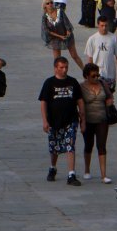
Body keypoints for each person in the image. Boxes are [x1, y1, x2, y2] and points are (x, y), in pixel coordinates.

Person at [39, 57, 85, 186]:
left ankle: (71, 174)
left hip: (71, 120)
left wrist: (83, 120)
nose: (64, 70)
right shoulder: (49, 83)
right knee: (55, 147)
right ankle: (53, 167)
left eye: (66, 67)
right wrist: (44, 121)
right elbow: (43, 102)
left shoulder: (73, 82)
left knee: (70, 145)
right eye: (61, 67)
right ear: (55, 68)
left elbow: (80, 101)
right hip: (54, 121)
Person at [80, 62, 114, 184]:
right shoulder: (81, 87)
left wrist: (110, 101)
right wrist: (82, 122)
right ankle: (87, 170)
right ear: (86, 76)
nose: (96, 78)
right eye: (93, 76)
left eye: (97, 75)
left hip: (102, 119)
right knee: (88, 145)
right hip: (88, 120)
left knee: (102, 146)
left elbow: (110, 96)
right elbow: (79, 104)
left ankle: (104, 175)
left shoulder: (102, 84)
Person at [41, 0, 84, 70]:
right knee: (57, 60)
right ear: (44, 6)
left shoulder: (59, 11)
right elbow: (47, 31)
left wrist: (68, 31)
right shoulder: (45, 16)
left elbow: (67, 23)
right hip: (55, 38)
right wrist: (59, 36)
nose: (50, 4)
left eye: (51, 2)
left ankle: (85, 71)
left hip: (66, 36)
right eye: (48, 3)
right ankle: (57, 75)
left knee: (74, 56)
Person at [84, 17, 117, 85]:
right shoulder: (92, 39)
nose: (104, 28)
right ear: (98, 25)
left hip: (110, 74)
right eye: (102, 25)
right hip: (97, 75)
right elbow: (90, 58)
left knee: (109, 91)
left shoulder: (114, 38)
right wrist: (90, 73)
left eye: (106, 25)